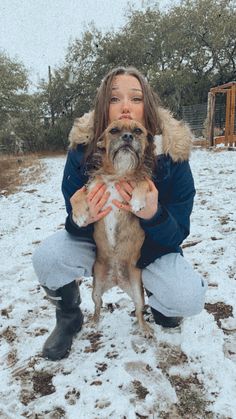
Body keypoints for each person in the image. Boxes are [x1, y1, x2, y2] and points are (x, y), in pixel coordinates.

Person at [33, 66, 207, 361]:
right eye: (115, 99)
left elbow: (179, 231)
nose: (126, 107)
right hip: (97, 244)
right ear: (104, 107)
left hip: (148, 250)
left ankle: (163, 306)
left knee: (187, 297)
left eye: (136, 99)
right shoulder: (82, 148)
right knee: (47, 258)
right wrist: (81, 217)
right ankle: (69, 317)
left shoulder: (172, 151)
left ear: (147, 107)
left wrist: (155, 215)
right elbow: (72, 218)